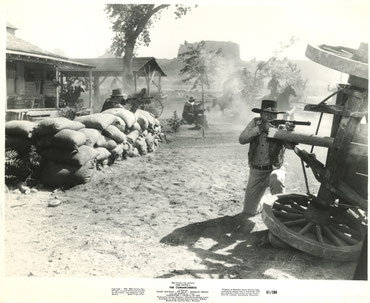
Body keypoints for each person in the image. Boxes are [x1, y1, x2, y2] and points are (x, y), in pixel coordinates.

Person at [238, 99, 295, 217]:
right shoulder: (254, 123)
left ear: (275, 115)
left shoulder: (279, 126)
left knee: (276, 178)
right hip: (256, 172)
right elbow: (242, 139)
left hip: (274, 168)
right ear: (261, 114)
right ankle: (267, 200)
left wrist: (289, 132)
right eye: (266, 114)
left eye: (272, 114)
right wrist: (260, 129)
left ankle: (279, 209)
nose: (269, 116)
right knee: (249, 212)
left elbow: (290, 146)